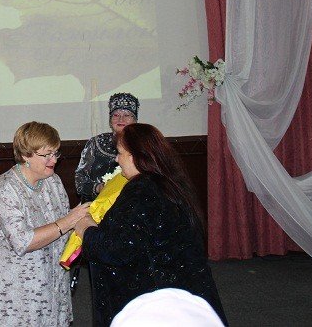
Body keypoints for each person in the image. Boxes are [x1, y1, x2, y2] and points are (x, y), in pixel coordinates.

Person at [74, 123, 227, 326]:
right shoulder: (169, 182)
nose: (117, 159)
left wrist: (86, 228)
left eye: (120, 153)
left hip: (155, 301)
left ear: (135, 156)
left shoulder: (141, 191)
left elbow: (117, 249)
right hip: (183, 293)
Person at [0, 122, 91, 327]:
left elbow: (65, 227)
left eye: (56, 153)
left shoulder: (53, 181)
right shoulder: (5, 189)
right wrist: (68, 221)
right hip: (13, 292)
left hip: (51, 283)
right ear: (25, 155)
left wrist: (86, 218)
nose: (54, 160)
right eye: (46, 155)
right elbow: (23, 241)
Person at [75, 92, 139, 202]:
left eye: (127, 115)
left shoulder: (142, 144)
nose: (121, 119)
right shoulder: (95, 143)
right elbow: (79, 182)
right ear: (110, 120)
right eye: (116, 115)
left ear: (135, 120)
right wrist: (99, 188)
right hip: (97, 206)